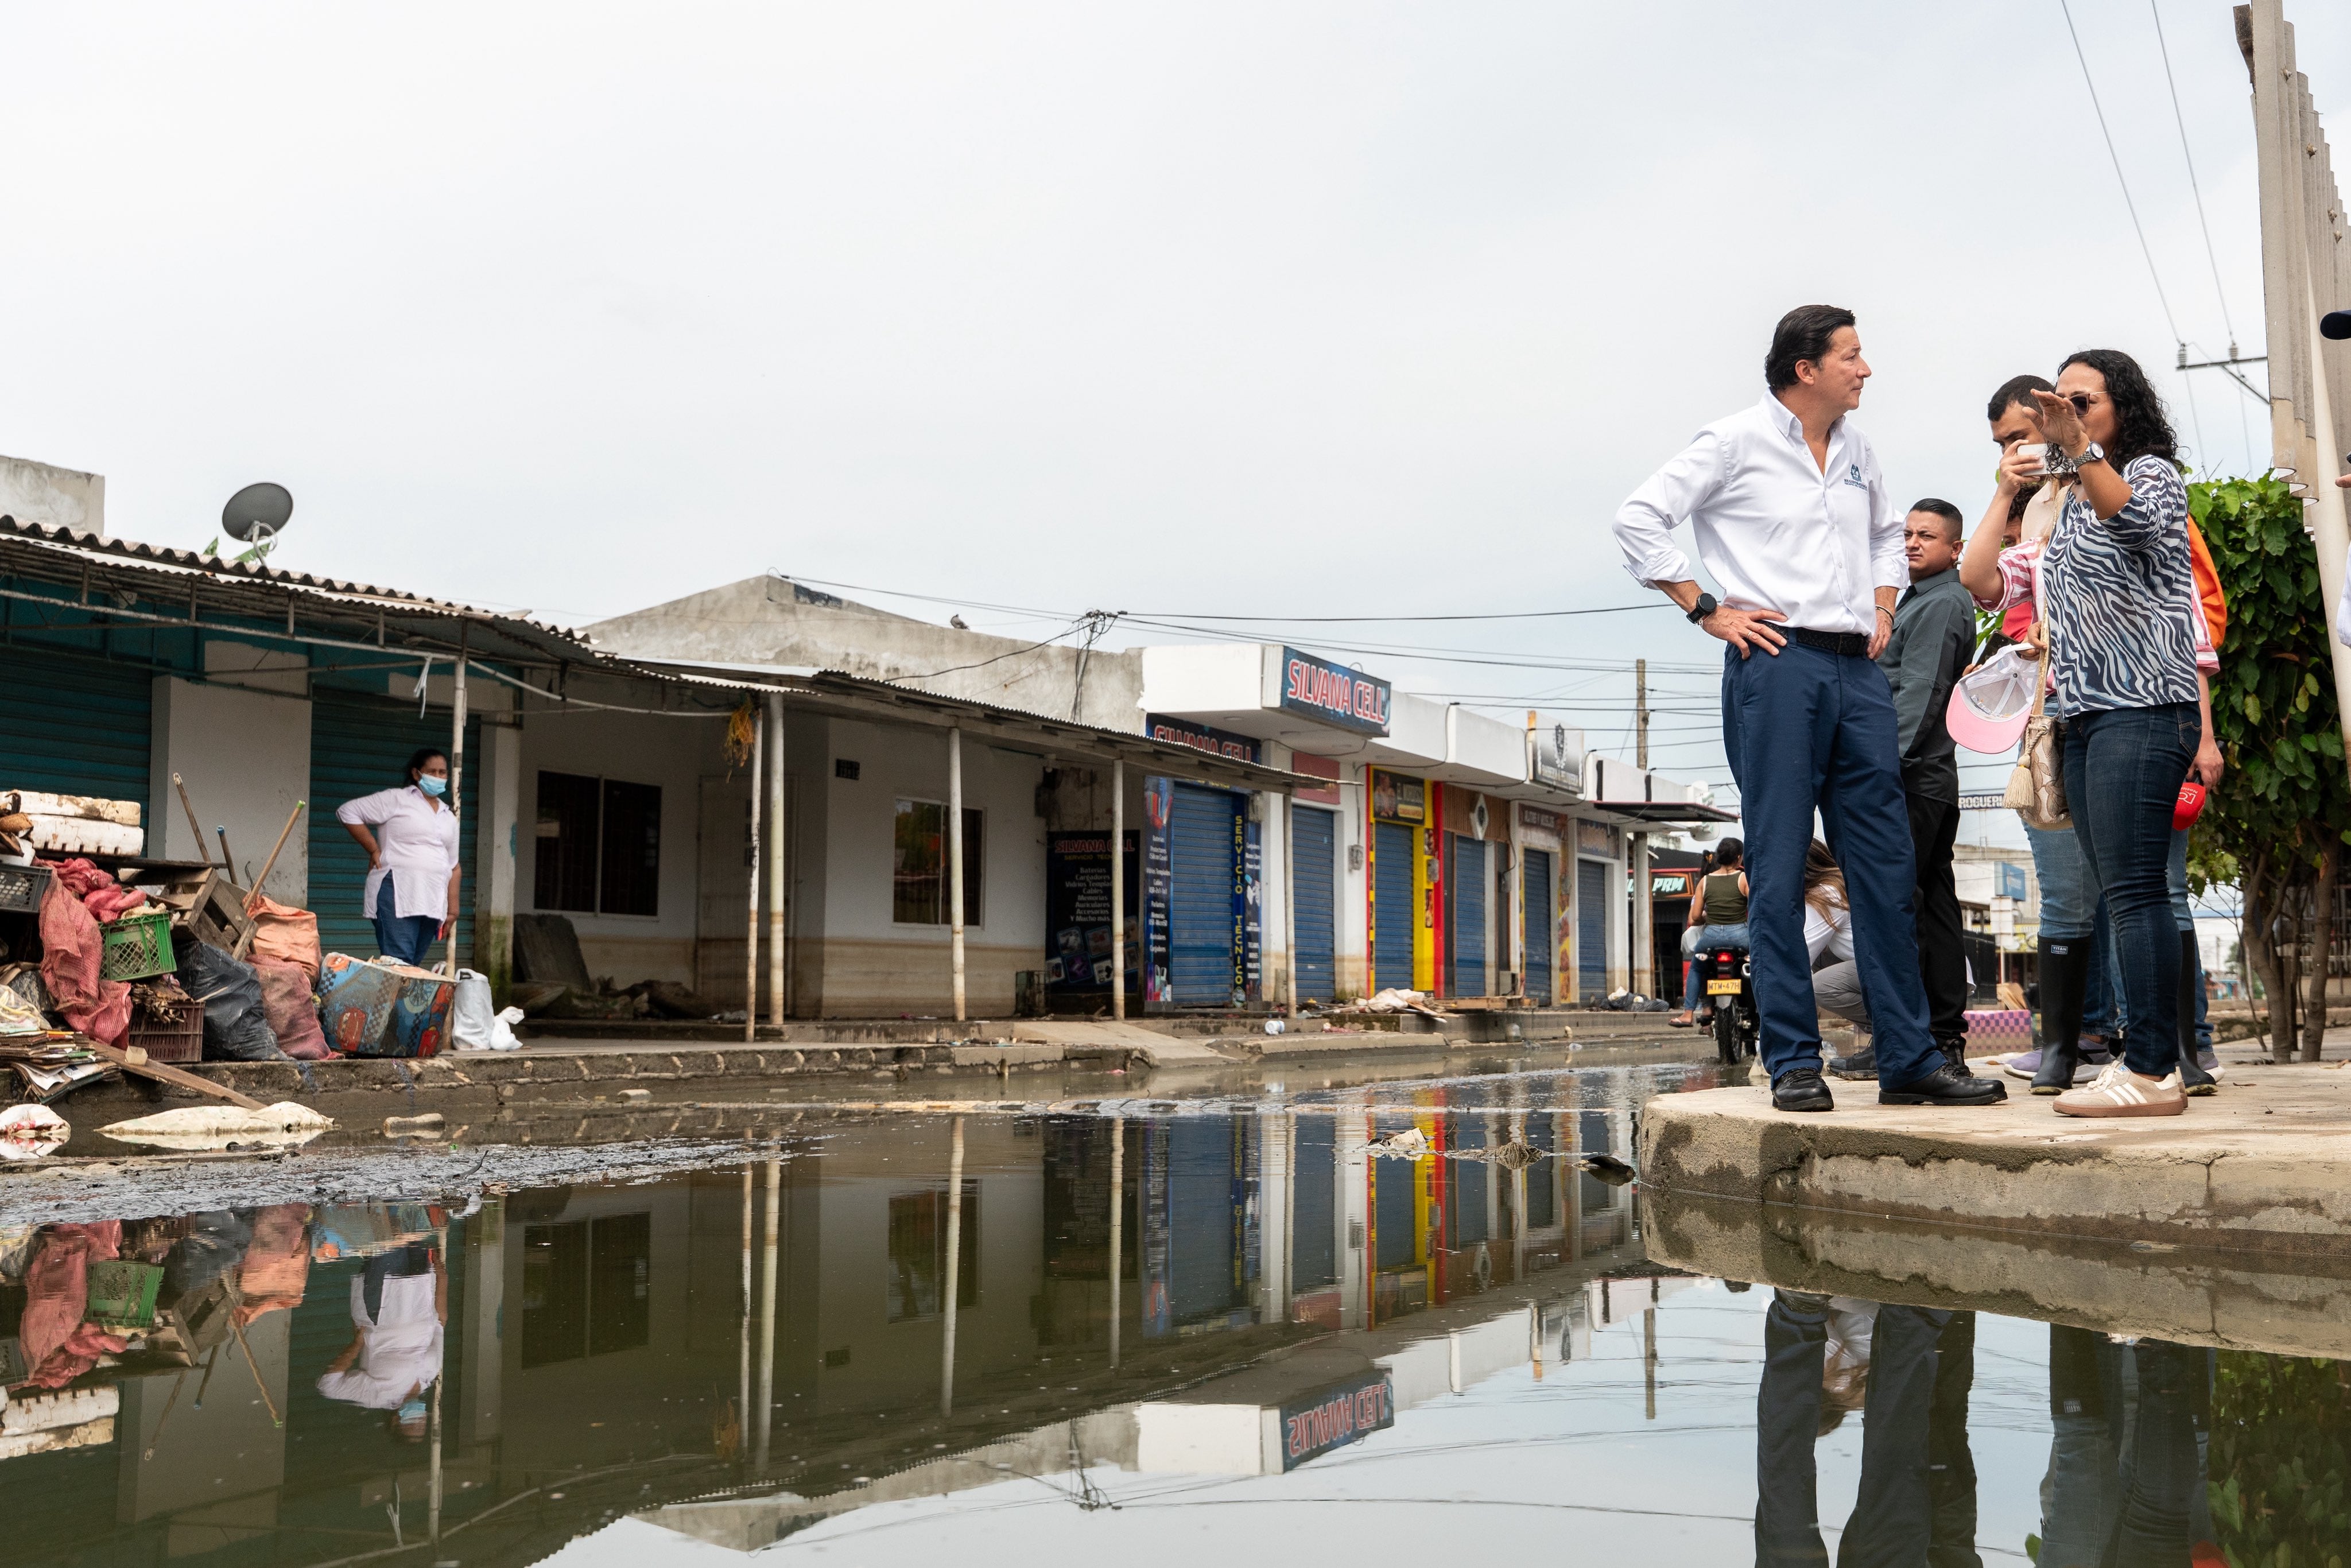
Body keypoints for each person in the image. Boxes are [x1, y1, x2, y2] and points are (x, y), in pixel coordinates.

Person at [1611, 304, 2002, 1112]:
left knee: (1885, 872)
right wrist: (1705, 608)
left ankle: (1909, 1059)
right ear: (1806, 368)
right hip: (1776, 662)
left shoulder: (1859, 451)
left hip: (1857, 671)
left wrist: (1884, 607)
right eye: (1851, 356)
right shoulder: (1732, 442)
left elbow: (1886, 537)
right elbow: (1637, 518)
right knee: (1781, 866)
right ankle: (1792, 1060)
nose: (1866, 369)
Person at [1964, 350, 2218, 1117]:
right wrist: (2006, 490)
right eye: (2061, 400)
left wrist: (2078, 447)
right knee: (2120, 891)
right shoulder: (2064, 505)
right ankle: (2142, 1064)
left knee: (2138, 892)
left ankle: (2152, 1069)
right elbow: (1981, 579)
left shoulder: (2150, 476)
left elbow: (2134, 521)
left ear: (2121, 406)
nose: (2066, 412)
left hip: (2143, 708)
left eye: (2084, 399)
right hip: (2081, 716)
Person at [1830, 499, 1977, 1081]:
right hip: (1923, 777)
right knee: (1927, 908)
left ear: (1955, 549)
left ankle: (1914, 1039)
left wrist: (1881, 771)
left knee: (1898, 908)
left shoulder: (1942, 602)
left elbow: (1921, 692)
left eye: (1927, 536)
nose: (1912, 542)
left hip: (1910, 776)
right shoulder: (1914, 598)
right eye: (1907, 533)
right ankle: (1928, 1039)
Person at [336, 747, 460, 968]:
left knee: (411, 966)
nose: (438, 777)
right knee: (399, 963)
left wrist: (453, 910)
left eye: (442, 772)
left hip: (432, 898)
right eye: (432, 771)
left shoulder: (448, 816)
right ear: (416, 773)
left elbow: (454, 866)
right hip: (397, 890)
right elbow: (348, 812)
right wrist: (374, 849)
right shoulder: (397, 799)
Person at [318, 1240, 446, 1441]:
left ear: (395, 1421)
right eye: (422, 1423)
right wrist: (442, 1279)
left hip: (384, 1299)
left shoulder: (378, 1397)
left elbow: (329, 1386)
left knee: (388, 1236)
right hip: (422, 1285)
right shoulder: (428, 1377)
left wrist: (356, 1345)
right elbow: (440, 1322)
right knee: (416, 1228)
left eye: (412, 1423)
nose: (419, 1419)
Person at [1670, 837, 1749, 1027]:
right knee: (1759, 965)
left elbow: (1695, 917)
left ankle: (1688, 1014)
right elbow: (1757, 907)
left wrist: (1711, 917)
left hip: (1711, 937)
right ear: (1739, 858)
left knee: (1697, 967)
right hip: (1740, 936)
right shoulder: (1743, 878)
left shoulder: (1705, 882)